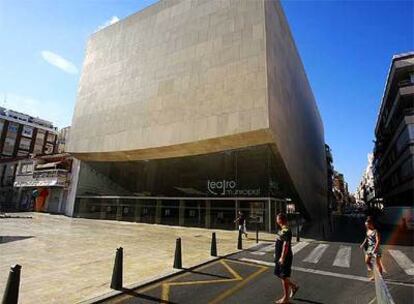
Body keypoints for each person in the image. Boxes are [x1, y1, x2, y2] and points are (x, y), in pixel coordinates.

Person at [274, 213, 299, 303]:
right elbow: (279, 243)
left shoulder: (286, 230)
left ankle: (286, 298)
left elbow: (286, 245)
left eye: (277, 219)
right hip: (279, 256)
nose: (276, 220)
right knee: (280, 274)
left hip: (285, 257)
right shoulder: (282, 230)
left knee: (284, 276)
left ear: (280, 220)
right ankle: (294, 287)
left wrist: (282, 257)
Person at [360, 216, 383, 280]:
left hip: (376, 248)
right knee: (367, 261)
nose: (366, 226)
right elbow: (366, 238)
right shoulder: (368, 230)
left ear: (371, 224)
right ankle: (375, 273)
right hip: (370, 248)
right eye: (365, 225)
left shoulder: (376, 231)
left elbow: (378, 241)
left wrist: (375, 249)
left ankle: (380, 276)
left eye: (367, 225)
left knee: (378, 263)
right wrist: (363, 244)